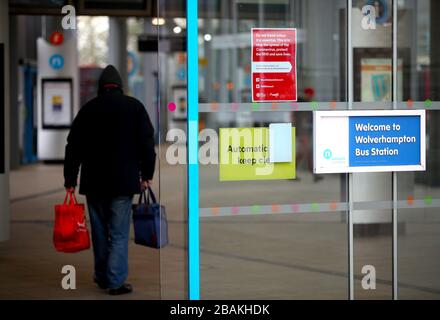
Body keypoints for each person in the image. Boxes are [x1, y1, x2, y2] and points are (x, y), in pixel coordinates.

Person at [63, 65, 156, 295]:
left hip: (94, 183)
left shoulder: (88, 109)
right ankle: (115, 281)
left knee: (100, 232)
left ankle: (103, 276)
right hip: (122, 183)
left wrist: (70, 179)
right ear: (120, 87)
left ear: (100, 87)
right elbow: (147, 144)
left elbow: (73, 147)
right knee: (119, 232)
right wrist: (147, 174)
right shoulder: (134, 107)